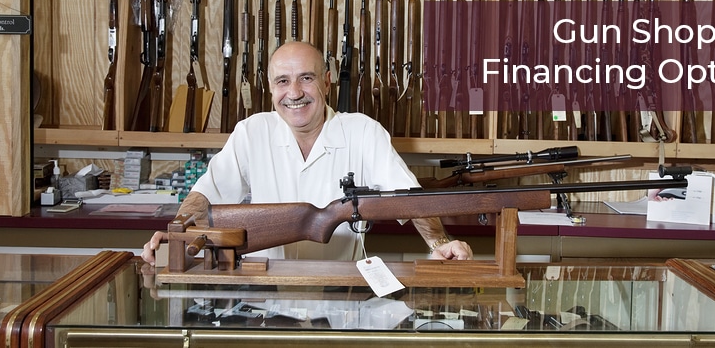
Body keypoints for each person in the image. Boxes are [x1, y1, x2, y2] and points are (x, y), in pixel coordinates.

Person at [141, 41, 472, 265]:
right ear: (270, 88)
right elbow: (205, 195)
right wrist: (177, 231)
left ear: (327, 82)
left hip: (341, 299)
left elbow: (409, 197)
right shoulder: (251, 131)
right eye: (282, 81)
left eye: (306, 78)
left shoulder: (362, 131)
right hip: (263, 300)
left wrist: (441, 244)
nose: (294, 93)